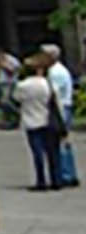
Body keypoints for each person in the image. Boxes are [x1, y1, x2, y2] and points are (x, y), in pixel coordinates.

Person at [15, 52, 60, 191]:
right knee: (52, 152)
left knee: (37, 152)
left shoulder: (22, 86)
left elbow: (17, 99)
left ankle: (41, 180)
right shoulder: (46, 84)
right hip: (46, 118)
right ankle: (55, 179)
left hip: (31, 120)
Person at [42, 44, 79, 188]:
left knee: (61, 143)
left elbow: (55, 94)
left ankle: (66, 174)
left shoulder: (55, 72)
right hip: (65, 105)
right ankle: (69, 172)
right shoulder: (59, 69)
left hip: (61, 107)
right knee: (65, 143)